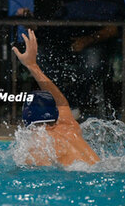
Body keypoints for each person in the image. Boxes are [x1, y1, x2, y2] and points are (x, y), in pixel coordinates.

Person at [18, 0, 125, 119]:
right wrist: (29, 19)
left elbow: (117, 27)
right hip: (59, 44)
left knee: (93, 63)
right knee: (41, 56)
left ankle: (71, 103)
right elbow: (42, 26)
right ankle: (67, 104)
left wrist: (87, 40)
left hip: (94, 43)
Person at [12, 29, 100, 166]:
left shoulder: (40, 144)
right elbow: (61, 102)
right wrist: (32, 65)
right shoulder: (69, 126)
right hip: (100, 168)